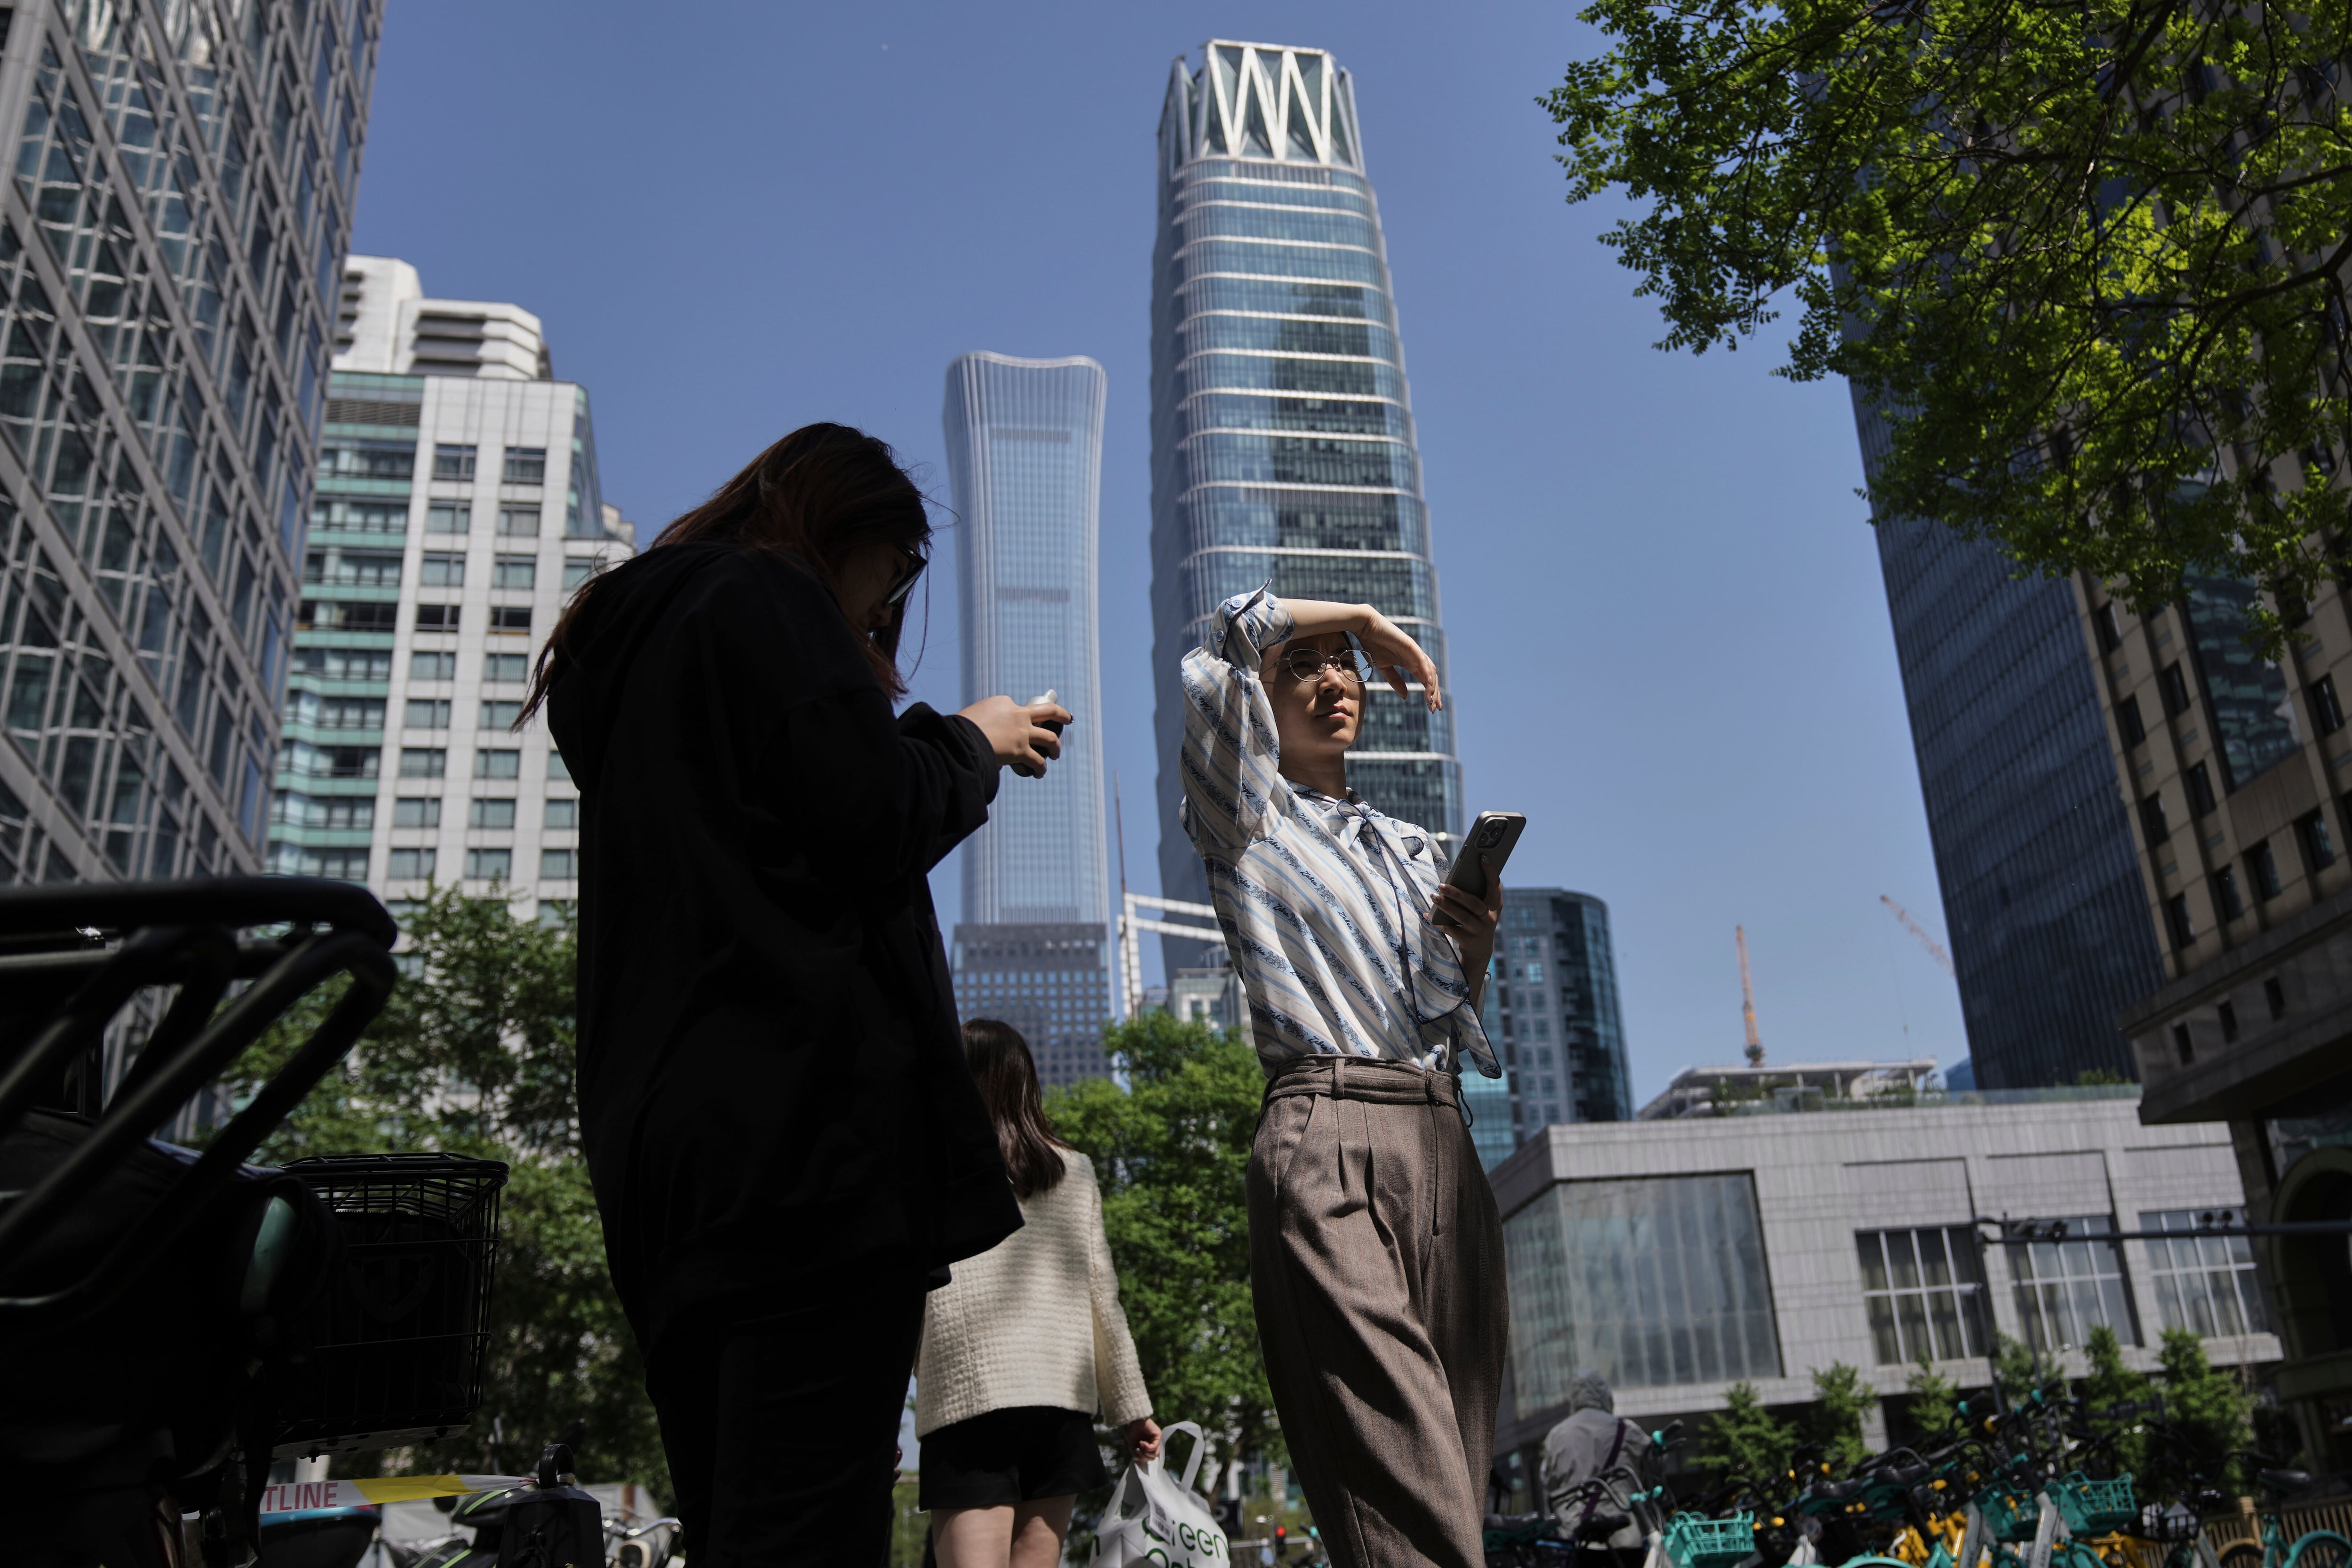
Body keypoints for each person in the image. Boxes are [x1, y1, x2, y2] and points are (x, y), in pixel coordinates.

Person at [529, 423, 1073, 1566]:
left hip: (670, 1166)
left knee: (738, 1520)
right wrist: (969, 741)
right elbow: (869, 812)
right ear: (847, 530)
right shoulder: (771, 601)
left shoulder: (633, 663)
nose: (881, 617)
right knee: (804, 1531)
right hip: (808, 1156)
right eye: (889, 580)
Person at [1176, 586, 1509, 1568]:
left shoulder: (1411, 850)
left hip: (1441, 1131)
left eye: (1346, 665)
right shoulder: (1241, 811)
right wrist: (1361, 617)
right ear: (1264, 693)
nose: (1336, 681)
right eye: (1307, 664)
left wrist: (1473, 948)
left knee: (1454, 1455)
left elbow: (1438, 1011)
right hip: (1326, 1127)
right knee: (1397, 1473)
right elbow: (1228, 631)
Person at [914, 1019, 1162, 1568]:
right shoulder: (1073, 1171)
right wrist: (1132, 1410)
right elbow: (1103, 1300)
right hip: (1059, 1406)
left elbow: (899, 1302)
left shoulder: (928, 1171)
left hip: (968, 1402)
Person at [1540, 1371, 1653, 1557]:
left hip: (1579, 1535)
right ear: (1605, 1395)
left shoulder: (1556, 1436)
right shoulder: (1625, 1429)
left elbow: (1548, 1482)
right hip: (1626, 1533)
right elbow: (1654, 1466)